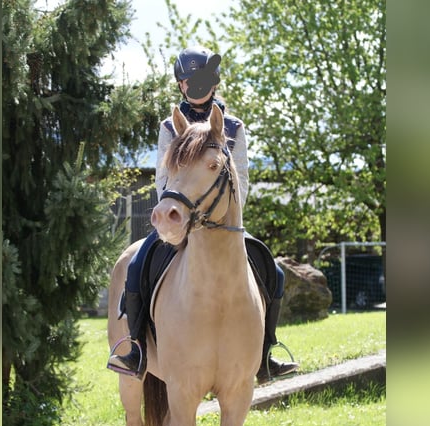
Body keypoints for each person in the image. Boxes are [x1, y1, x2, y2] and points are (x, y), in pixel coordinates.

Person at [107, 45, 298, 384]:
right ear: (180, 84)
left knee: (275, 272)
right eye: (188, 81)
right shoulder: (171, 126)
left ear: (214, 81)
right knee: (136, 267)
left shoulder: (233, 127)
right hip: (180, 217)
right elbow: (164, 178)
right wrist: (178, 218)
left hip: (222, 219)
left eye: (202, 80)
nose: (196, 87)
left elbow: (241, 178)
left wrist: (225, 217)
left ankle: (266, 352)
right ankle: (136, 349)